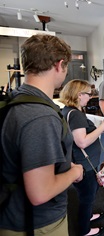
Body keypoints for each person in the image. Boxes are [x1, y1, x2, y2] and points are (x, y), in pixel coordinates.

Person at [0, 34, 84, 235]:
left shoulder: (14, 100)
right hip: (36, 225)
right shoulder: (40, 117)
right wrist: (74, 172)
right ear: (59, 65)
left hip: (11, 212)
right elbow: (40, 192)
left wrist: (63, 165)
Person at [60, 80, 104, 236]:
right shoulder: (75, 114)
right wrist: (102, 127)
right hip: (85, 164)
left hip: (82, 161)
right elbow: (81, 142)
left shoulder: (69, 110)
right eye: (88, 94)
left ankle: (88, 215)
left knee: (89, 193)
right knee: (87, 198)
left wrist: (96, 130)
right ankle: (84, 230)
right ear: (79, 95)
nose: (90, 97)